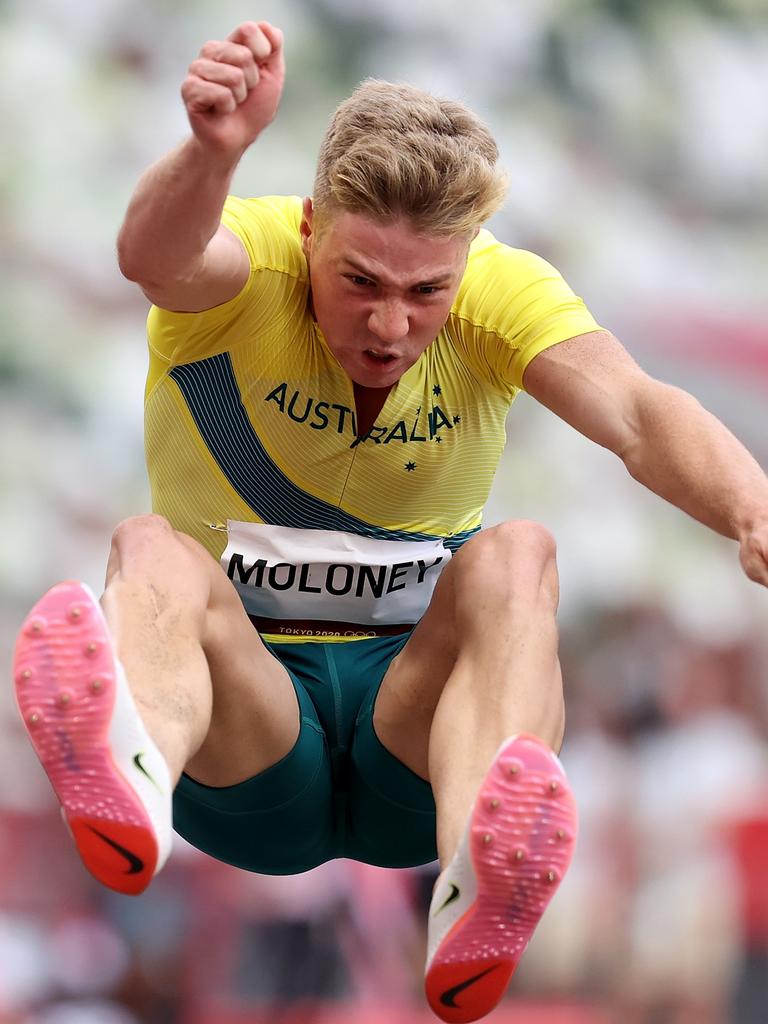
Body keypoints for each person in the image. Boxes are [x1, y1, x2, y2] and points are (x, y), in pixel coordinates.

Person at [12, 19, 768, 1023]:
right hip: (248, 733)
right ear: (314, 227)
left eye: (425, 294)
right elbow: (150, 256)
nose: (389, 325)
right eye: (360, 282)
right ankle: (131, 772)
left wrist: (755, 512)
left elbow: (636, 413)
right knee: (148, 548)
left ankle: (478, 881)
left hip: (411, 738)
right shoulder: (250, 258)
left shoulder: (503, 293)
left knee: (520, 554)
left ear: (464, 265)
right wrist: (213, 151)